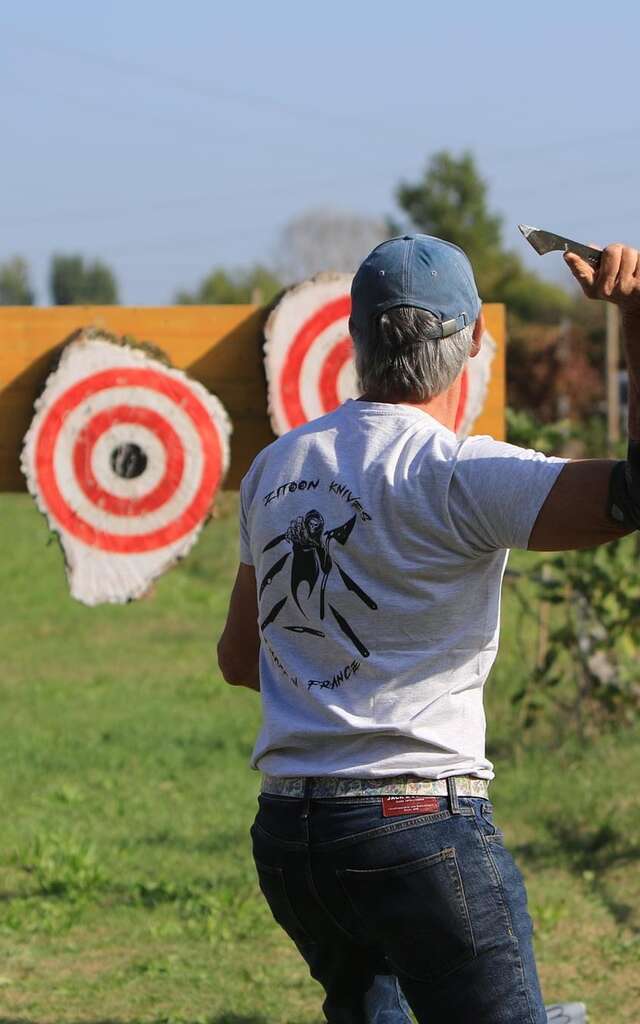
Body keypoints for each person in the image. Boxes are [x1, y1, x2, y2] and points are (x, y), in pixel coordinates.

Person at [218, 234, 638, 1023]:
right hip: (419, 828)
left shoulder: (275, 468)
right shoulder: (458, 473)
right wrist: (638, 323)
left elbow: (241, 658)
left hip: (291, 837)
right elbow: (632, 496)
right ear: (475, 342)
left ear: (354, 341)